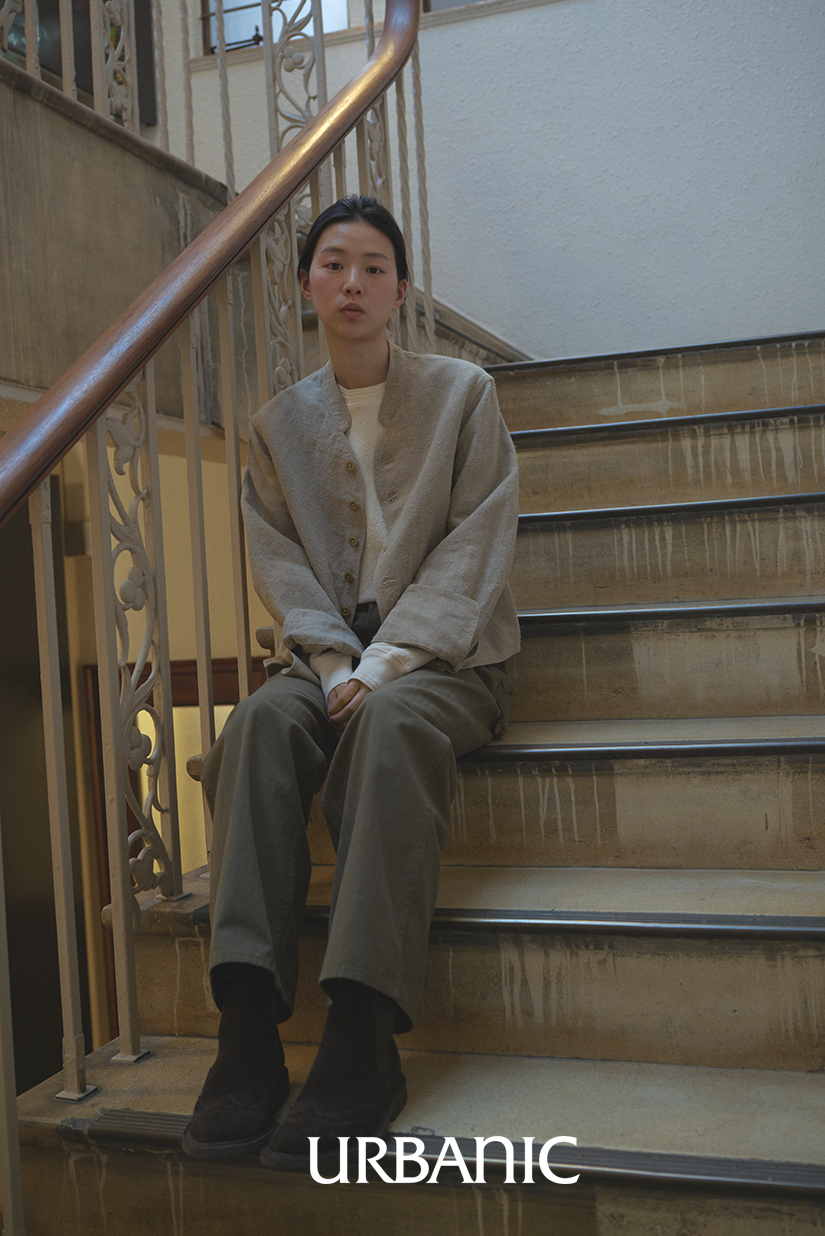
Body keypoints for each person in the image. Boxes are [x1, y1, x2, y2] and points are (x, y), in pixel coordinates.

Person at [181, 195, 521, 1170]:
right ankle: (247, 1025)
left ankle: (362, 1031)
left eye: (374, 267)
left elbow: (475, 543)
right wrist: (334, 663)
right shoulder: (276, 425)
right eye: (334, 265)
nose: (353, 283)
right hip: (322, 656)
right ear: (306, 285)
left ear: (400, 289)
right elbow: (279, 561)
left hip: (448, 658)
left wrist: (383, 664)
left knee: (391, 725)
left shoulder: (463, 395)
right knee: (255, 726)